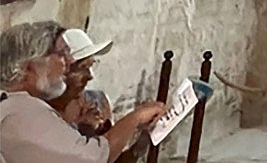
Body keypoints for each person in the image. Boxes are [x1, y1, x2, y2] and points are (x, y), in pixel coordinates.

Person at [0, 21, 164, 162]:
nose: (68, 62)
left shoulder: (17, 105)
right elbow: (94, 158)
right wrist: (137, 117)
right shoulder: (22, 112)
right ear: (30, 66)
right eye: (61, 54)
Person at [47, 28, 113, 123]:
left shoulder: (98, 101)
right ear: (61, 69)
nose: (90, 76)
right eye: (83, 67)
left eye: (91, 66)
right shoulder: (39, 108)